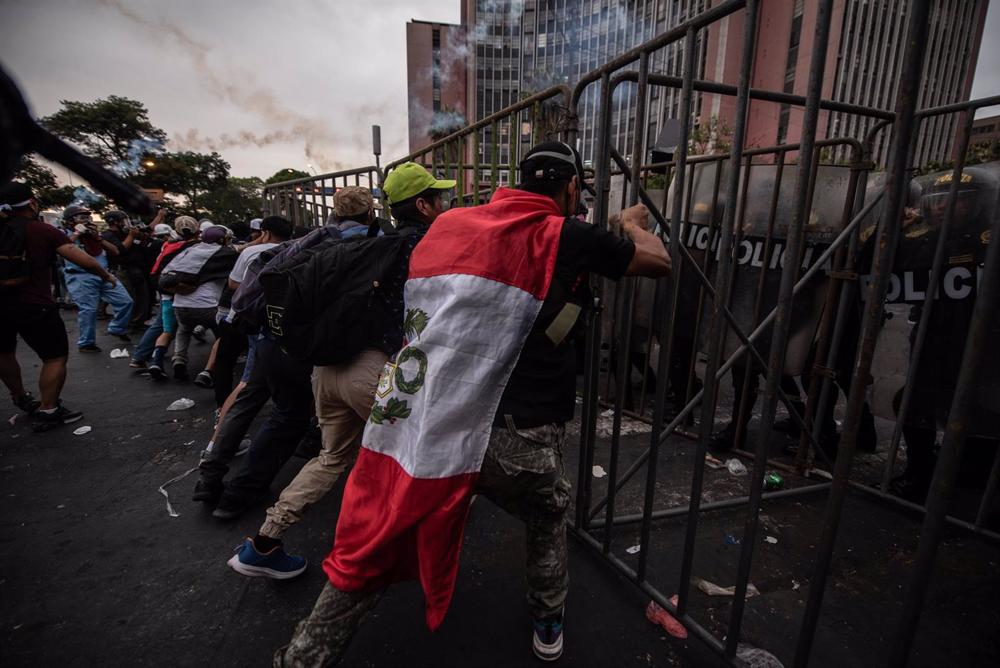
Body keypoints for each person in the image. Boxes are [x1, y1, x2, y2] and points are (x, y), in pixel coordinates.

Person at [276, 142, 671, 665]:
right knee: (548, 515)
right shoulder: (565, 234)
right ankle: (548, 622)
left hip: (439, 423)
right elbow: (658, 261)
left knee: (382, 537)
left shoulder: (454, 226)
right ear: (571, 187)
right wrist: (631, 221)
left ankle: (304, 655)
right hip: (520, 438)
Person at [227, 173, 452, 578]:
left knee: (330, 458)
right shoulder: (416, 245)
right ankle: (396, 552)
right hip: (370, 372)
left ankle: (263, 542)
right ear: (422, 206)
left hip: (326, 373)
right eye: (439, 199)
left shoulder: (349, 251)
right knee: (420, 457)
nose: (444, 205)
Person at [0, 183, 118, 431]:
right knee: (54, 357)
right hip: (34, 305)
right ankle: (49, 409)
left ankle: (20, 396)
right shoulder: (41, 230)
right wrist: (105, 275)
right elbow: (79, 257)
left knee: (4, 353)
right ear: (32, 203)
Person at [210, 215, 294, 406]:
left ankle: (223, 408)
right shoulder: (296, 250)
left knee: (229, 364)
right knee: (258, 370)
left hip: (242, 315)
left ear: (266, 233)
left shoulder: (251, 252)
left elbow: (233, 283)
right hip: (276, 317)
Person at [161, 224, 236, 382]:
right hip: (206, 305)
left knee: (183, 330)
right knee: (222, 336)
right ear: (222, 240)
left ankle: (179, 359)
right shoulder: (222, 254)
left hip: (180, 304)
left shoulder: (190, 251)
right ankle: (212, 369)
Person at [61, 204, 134, 352]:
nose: (86, 220)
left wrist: (98, 238)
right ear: (70, 221)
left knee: (126, 301)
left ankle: (117, 328)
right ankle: (86, 343)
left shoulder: (94, 235)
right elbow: (63, 248)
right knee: (88, 310)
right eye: (81, 217)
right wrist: (76, 233)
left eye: (88, 216)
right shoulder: (64, 234)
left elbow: (115, 251)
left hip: (104, 274)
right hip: (81, 276)